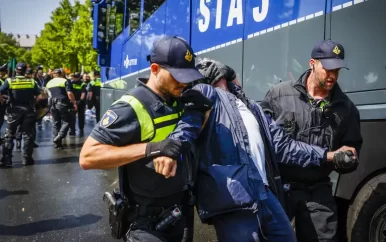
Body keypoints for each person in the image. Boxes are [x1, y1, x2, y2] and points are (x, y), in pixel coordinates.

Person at [152, 58, 358, 242]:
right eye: (235, 75)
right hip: (234, 196)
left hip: (264, 192)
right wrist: (171, 149)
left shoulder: (253, 107)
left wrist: (329, 155)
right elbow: (189, 123)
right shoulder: (209, 94)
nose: (240, 79)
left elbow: (284, 146)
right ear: (223, 76)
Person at [79, 36, 210, 242]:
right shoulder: (131, 106)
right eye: (177, 76)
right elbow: (88, 157)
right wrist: (152, 149)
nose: (183, 82)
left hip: (179, 213)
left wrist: (201, 111)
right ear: (155, 69)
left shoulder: (178, 99)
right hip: (146, 224)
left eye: (187, 76)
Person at [260, 40, 363, 242]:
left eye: (337, 70)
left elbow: (353, 149)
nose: (333, 75)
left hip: (318, 190)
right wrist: (329, 155)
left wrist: (347, 160)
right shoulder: (279, 96)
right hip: (282, 188)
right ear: (312, 63)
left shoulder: (347, 109)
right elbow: (274, 146)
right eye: (328, 69)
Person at [0, 63, 42, 166]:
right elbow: (41, 95)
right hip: (28, 110)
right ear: (25, 71)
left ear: (16, 70)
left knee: (9, 135)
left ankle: (7, 160)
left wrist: (2, 101)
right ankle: (27, 160)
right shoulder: (32, 81)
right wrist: (34, 103)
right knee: (28, 135)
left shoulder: (9, 81)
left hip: (14, 110)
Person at [46, 69, 77, 148]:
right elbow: (69, 93)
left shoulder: (49, 82)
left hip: (52, 104)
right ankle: (59, 136)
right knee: (67, 121)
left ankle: (57, 144)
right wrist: (74, 102)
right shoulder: (65, 81)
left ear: (54, 74)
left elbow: (47, 94)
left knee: (56, 123)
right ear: (61, 74)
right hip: (63, 103)